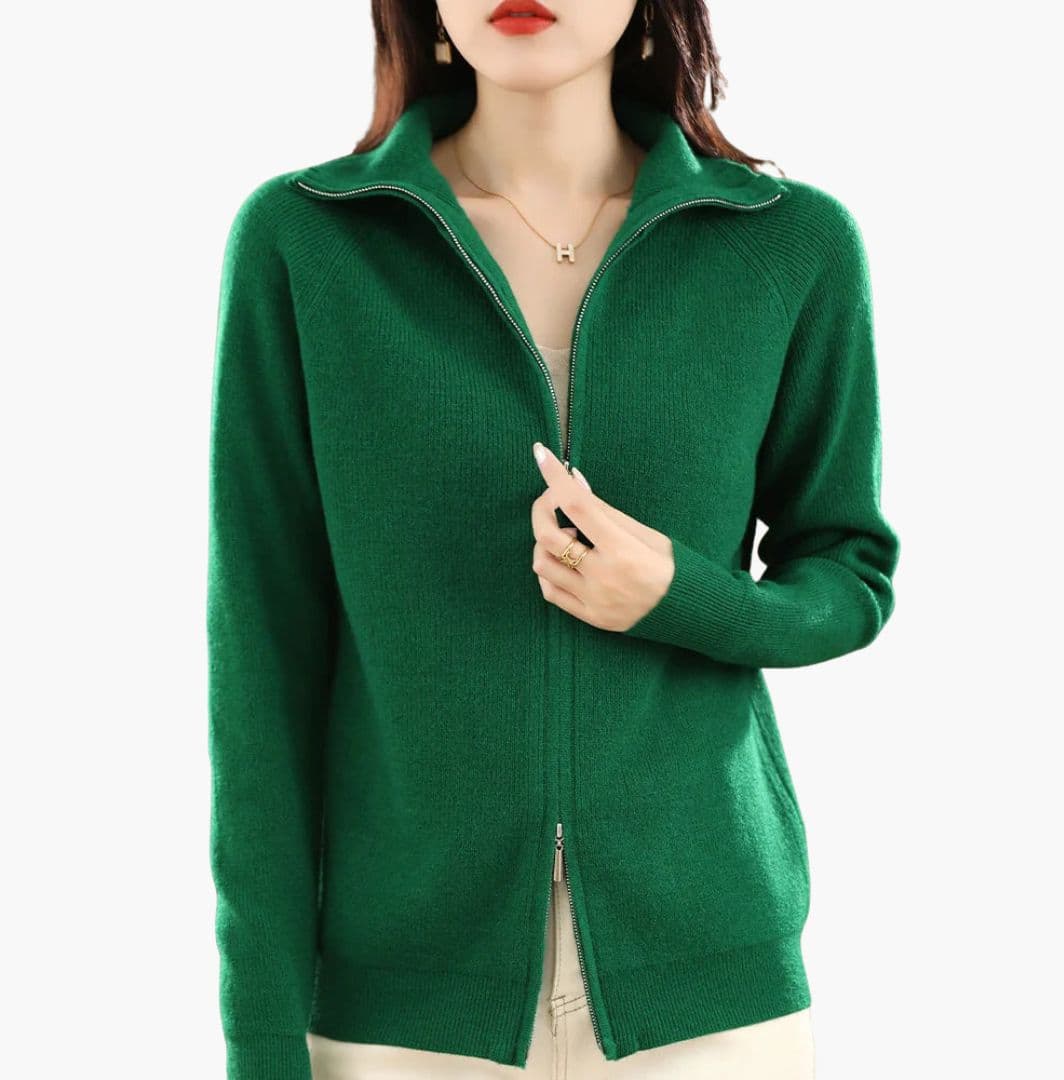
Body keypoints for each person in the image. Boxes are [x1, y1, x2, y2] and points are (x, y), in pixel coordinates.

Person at [206, 2, 900, 1078]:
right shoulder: (310, 242)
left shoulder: (785, 242)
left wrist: (681, 594)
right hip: (400, 1019)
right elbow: (260, 669)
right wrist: (260, 1046)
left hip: (711, 1007)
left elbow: (848, 571)